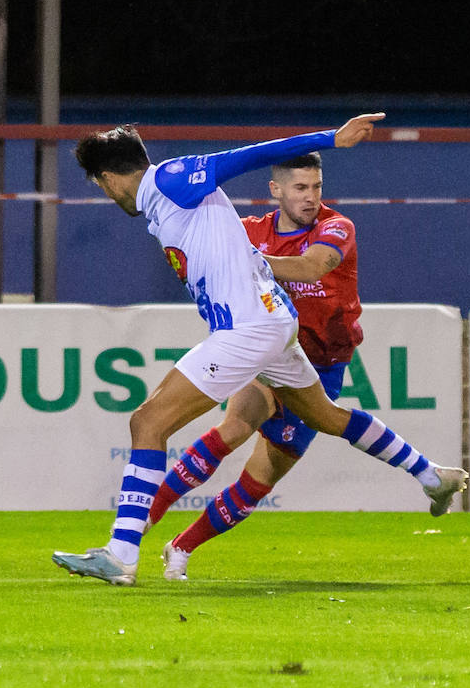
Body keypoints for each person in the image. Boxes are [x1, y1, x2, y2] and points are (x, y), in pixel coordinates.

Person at [52, 116, 468, 586]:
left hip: (248, 330)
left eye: (102, 186)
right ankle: (431, 475)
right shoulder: (164, 206)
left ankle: (122, 553)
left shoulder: (169, 179)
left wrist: (333, 138)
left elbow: (251, 155)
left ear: (108, 178)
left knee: (148, 422)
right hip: (273, 323)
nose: (108, 195)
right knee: (326, 417)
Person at [147, 152, 377, 580]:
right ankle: (144, 519)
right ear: (276, 190)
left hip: (322, 367)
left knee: (257, 485)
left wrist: (252, 261)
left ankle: (181, 546)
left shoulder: (336, 227)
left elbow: (311, 266)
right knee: (231, 430)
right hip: (269, 353)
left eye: (316, 187)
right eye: (300, 188)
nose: (310, 198)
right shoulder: (248, 231)